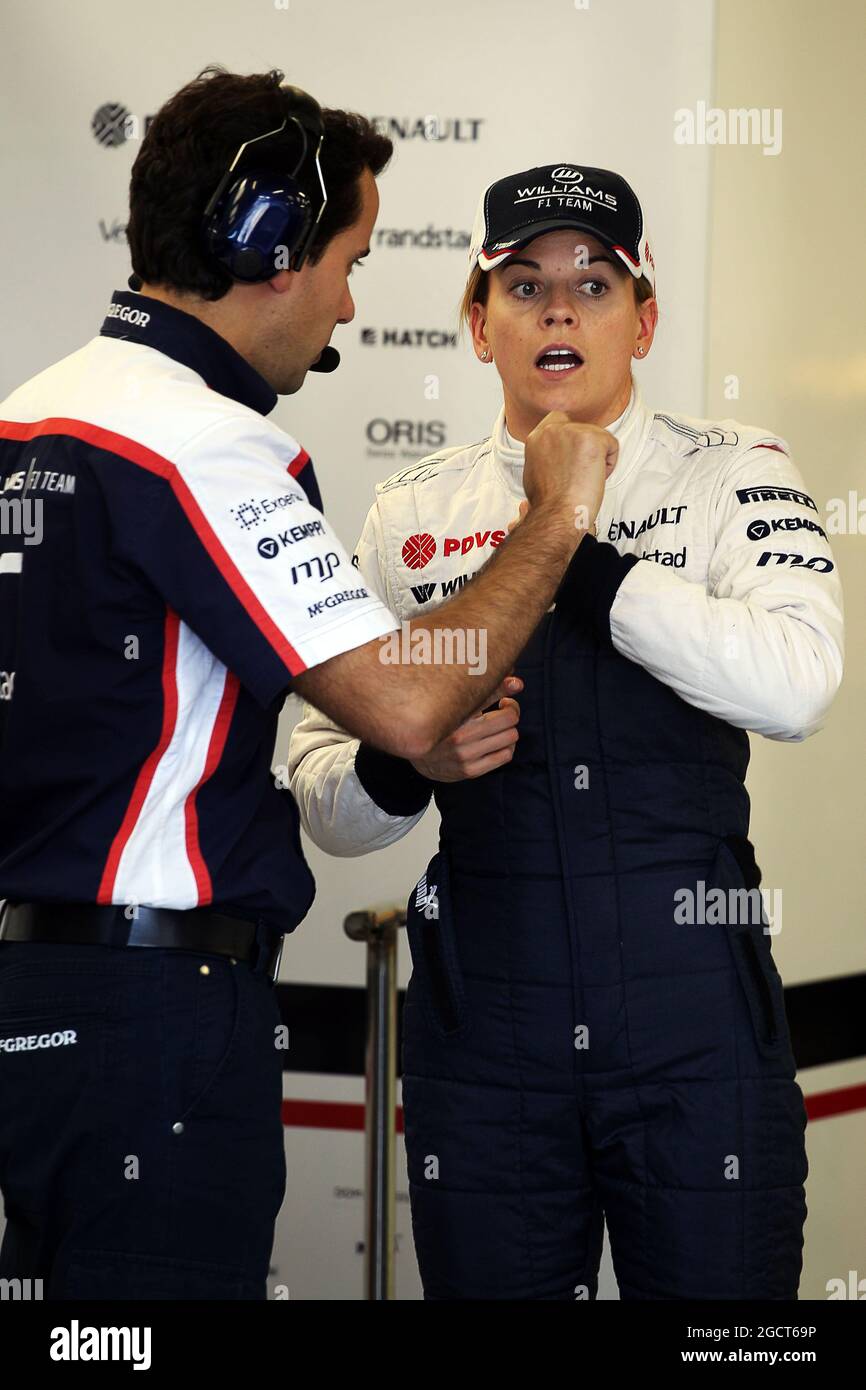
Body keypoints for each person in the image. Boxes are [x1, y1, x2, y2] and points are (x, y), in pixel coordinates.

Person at [0, 73, 610, 1301]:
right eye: (348, 258)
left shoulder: (34, 411)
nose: (344, 302)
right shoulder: (197, 439)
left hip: (44, 994)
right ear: (265, 247)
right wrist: (552, 519)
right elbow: (400, 700)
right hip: (153, 1017)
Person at [287, 162, 845, 1300]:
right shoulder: (410, 516)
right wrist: (408, 757)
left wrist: (570, 545)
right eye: (522, 283)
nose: (556, 308)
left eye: (593, 284)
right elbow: (318, 786)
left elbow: (798, 684)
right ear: (478, 323)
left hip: (698, 1030)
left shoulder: (730, 469)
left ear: (641, 320)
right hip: (486, 1047)